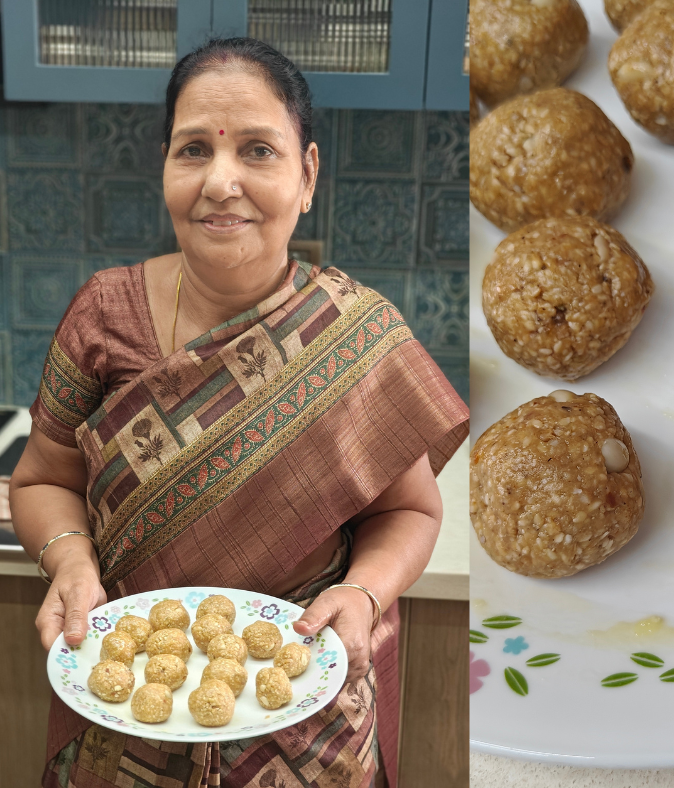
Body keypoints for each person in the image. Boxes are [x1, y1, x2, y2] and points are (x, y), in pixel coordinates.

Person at [9, 37, 468, 788]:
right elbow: (39, 482)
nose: (221, 182)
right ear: (165, 167)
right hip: (122, 715)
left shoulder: (353, 334)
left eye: (257, 149)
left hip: (308, 725)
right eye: (194, 150)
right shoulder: (103, 315)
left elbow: (411, 512)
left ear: (308, 173)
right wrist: (70, 561)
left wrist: (361, 592)